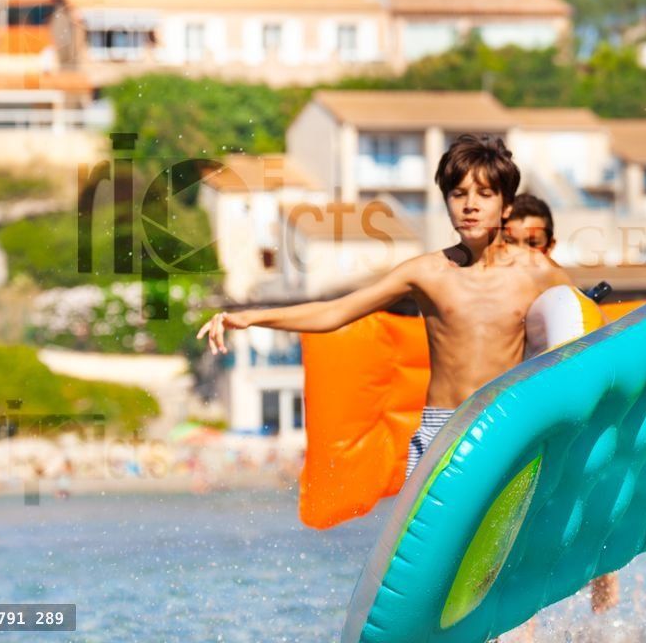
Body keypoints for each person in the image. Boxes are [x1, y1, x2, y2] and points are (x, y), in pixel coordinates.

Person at [199, 135, 574, 478]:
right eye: (458, 194)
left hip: (505, 423)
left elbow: (587, 326)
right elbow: (335, 311)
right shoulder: (426, 273)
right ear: (446, 202)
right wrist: (251, 317)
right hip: (441, 427)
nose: (470, 206)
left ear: (506, 206)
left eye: (485, 194)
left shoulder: (536, 271)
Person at [503, 193, 620, 619]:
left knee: (593, 531)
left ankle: (606, 619)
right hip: (524, 431)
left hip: (571, 432)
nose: (522, 253)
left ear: (549, 246)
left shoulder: (567, 301)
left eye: (532, 242)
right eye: (511, 242)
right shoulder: (501, 299)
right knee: (516, 554)